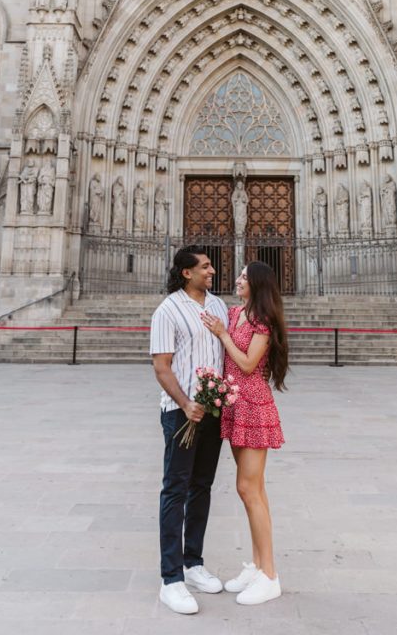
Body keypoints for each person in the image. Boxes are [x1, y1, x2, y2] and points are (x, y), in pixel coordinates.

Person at [202, 261, 288, 606]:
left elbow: (250, 364)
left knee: (247, 488)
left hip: (253, 407)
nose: (237, 280)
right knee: (254, 489)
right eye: (237, 275)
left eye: (243, 277)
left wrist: (222, 334)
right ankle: (256, 565)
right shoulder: (235, 312)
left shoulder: (261, 321)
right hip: (234, 405)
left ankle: (270, 575)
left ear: (257, 284)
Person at [150, 247, 229, 615]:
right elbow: (162, 366)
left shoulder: (218, 307)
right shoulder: (167, 310)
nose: (212, 270)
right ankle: (171, 579)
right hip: (182, 412)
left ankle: (193, 563)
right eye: (206, 266)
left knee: (202, 486)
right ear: (186, 272)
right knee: (176, 489)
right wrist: (185, 403)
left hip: (212, 412)